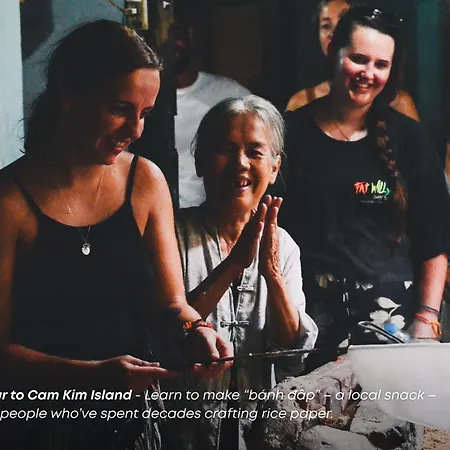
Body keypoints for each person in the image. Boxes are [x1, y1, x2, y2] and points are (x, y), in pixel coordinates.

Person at [0, 20, 233, 450]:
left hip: (131, 428)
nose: (136, 130)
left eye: (145, 113)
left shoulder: (145, 182)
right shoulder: (10, 201)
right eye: (121, 108)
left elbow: (172, 305)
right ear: (70, 94)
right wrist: (91, 377)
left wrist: (196, 329)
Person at [282, 5, 450, 370]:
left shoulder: (409, 138)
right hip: (308, 323)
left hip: (394, 325)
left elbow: (434, 243)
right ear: (333, 52)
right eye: (358, 59)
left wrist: (426, 320)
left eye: (380, 64)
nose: (368, 74)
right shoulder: (290, 133)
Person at [162, 95, 318, 450]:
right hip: (184, 430)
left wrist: (272, 274)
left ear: (274, 168)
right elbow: (166, 331)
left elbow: (292, 355)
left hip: (260, 432)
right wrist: (234, 264)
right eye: (225, 150)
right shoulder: (171, 234)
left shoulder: (284, 246)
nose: (240, 164)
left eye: (255, 152)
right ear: (200, 161)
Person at [285, 0, 420, 121]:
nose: (333, 33)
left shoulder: (400, 106)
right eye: (326, 26)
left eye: (342, 22)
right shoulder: (301, 102)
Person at [171, 7, 251, 209]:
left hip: (215, 218)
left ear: (191, 34)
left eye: (175, 33)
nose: (168, 44)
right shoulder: (138, 99)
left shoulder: (230, 95)